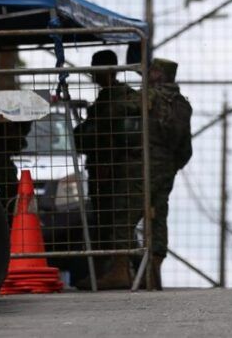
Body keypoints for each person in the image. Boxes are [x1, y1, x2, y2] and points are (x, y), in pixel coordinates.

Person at [74, 49, 140, 290]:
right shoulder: (105, 99)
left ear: (110, 70)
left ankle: (121, 271)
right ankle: (107, 271)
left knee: (118, 219)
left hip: (118, 169)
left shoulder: (122, 98)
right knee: (103, 220)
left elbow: (115, 134)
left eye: (97, 68)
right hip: (102, 168)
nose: (93, 73)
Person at [141, 57, 194, 289]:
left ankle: (127, 266)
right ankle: (155, 265)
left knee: (130, 211)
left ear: (158, 74)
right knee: (158, 214)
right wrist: (172, 165)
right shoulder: (182, 103)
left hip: (143, 163)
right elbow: (186, 147)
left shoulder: (149, 98)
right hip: (167, 165)